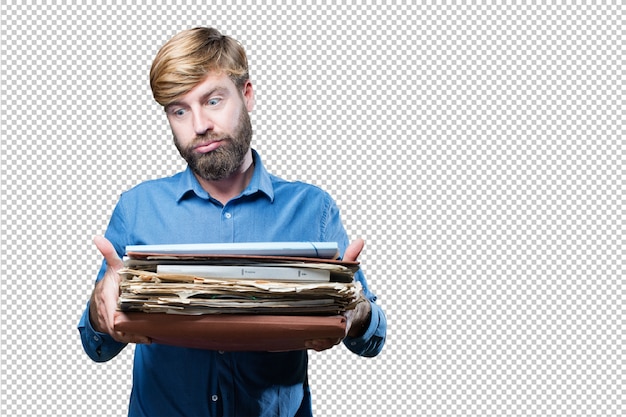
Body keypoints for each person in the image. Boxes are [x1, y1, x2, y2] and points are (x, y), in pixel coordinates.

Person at [78, 27, 386, 417]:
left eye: (213, 100)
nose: (199, 124)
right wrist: (99, 310)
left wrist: (354, 308)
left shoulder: (313, 209)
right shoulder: (137, 207)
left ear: (248, 94)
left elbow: (372, 340)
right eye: (179, 109)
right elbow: (96, 345)